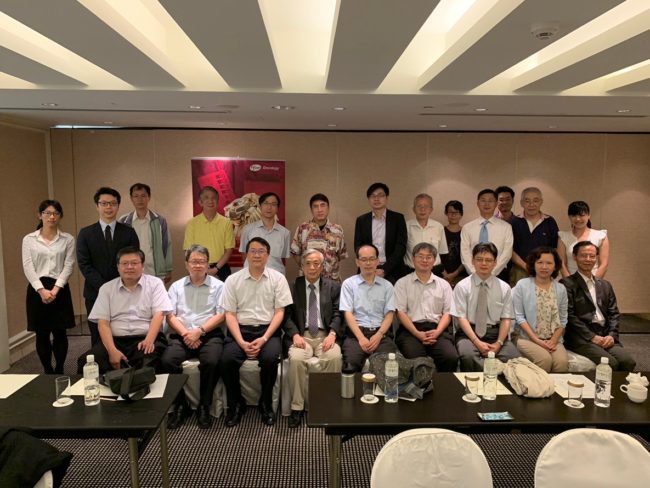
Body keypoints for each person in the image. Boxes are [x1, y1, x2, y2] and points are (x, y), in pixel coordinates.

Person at [220, 237, 293, 427]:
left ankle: (265, 403)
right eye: (252, 251)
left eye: (261, 251)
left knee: (270, 359)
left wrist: (264, 338)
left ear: (268, 255)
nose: (257, 255)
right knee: (226, 360)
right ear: (246, 254)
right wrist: (241, 342)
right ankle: (236, 404)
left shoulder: (278, 279)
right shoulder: (232, 280)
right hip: (240, 331)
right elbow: (230, 314)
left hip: (268, 331)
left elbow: (280, 312)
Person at [76, 247, 170, 374]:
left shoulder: (155, 284)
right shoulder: (107, 288)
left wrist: (149, 340)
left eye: (134, 263)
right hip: (115, 340)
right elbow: (103, 323)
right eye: (125, 263)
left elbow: (159, 315)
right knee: (86, 363)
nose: (129, 267)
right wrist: (112, 350)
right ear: (118, 267)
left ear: (142, 266)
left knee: (147, 364)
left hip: (145, 338)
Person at [162, 245, 225, 430]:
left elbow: (221, 314)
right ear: (186, 264)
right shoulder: (176, 286)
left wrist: (200, 331)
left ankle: (204, 405)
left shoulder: (219, 286)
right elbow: (170, 315)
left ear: (208, 264)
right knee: (167, 361)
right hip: (182, 333)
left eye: (202, 261)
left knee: (212, 361)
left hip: (209, 334)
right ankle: (180, 405)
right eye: (194, 261)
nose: (198, 265)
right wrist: (186, 333)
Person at [283, 249, 343, 428]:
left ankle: (329, 404)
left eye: (316, 263)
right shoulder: (293, 286)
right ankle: (297, 407)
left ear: (322, 266)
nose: (312, 267)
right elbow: (286, 316)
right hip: (302, 336)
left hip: (326, 335)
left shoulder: (333, 286)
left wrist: (332, 334)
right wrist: (295, 334)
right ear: (302, 266)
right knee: (296, 359)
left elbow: (338, 313)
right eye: (308, 263)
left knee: (334, 357)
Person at [77, 187, 139, 346]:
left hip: (124, 291)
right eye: (104, 203)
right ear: (97, 206)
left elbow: (133, 262)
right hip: (95, 292)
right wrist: (105, 287)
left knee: (123, 333)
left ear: (118, 206)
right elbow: (84, 264)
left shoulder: (129, 232)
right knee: (98, 335)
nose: (108, 207)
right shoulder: (85, 233)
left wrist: (119, 285)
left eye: (112, 203)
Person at [561, 241, 635, 371]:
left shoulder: (605, 285)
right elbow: (570, 316)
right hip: (581, 337)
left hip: (605, 334)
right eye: (583, 255)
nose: (588, 259)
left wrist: (611, 335)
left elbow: (614, 314)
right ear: (575, 257)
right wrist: (592, 337)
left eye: (592, 256)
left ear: (596, 258)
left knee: (628, 362)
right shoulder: (567, 284)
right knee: (611, 364)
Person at [22, 200, 76, 374]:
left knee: (60, 332)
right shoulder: (29, 239)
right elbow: (28, 266)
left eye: (55, 213)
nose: (51, 217)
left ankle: (60, 369)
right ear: (40, 215)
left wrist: (55, 289)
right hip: (37, 290)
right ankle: (47, 370)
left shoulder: (68, 239)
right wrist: (41, 290)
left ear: (60, 216)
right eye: (47, 213)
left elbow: (69, 265)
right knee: (42, 333)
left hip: (59, 288)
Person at [452, 243, 520, 371]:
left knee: (514, 358)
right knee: (468, 356)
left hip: (495, 334)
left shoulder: (504, 288)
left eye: (488, 260)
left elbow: (506, 319)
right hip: (469, 334)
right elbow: (461, 318)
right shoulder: (462, 286)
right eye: (479, 259)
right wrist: (476, 342)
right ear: (472, 261)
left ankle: (495, 377)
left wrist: (499, 343)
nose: (484, 263)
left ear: (495, 263)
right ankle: (489, 375)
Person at [394, 243, 458, 372]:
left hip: (437, 330)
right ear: (413, 259)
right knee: (416, 358)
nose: (424, 260)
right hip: (411, 331)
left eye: (429, 257)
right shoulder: (402, 283)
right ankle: (419, 386)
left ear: (434, 260)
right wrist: (417, 334)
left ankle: (444, 384)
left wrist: (437, 332)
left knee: (450, 357)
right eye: (420, 256)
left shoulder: (444, 285)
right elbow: (400, 313)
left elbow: (447, 313)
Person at [339, 244, 397, 372]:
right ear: (357, 262)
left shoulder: (387, 286)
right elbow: (347, 313)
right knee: (351, 365)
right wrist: (361, 338)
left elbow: (389, 314)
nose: (368, 263)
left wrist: (379, 335)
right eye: (364, 259)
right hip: (356, 334)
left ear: (377, 261)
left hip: (381, 334)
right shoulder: (349, 284)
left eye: (372, 259)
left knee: (388, 366)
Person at [512, 247, 568, 373]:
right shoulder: (522, 285)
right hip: (526, 338)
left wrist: (553, 341)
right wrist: (537, 341)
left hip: (552, 339)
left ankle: (556, 387)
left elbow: (563, 320)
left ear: (555, 266)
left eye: (549, 263)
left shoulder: (561, 289)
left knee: (562, 363)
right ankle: (537, 386)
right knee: (544, 359)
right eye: (540, 262)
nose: (544, 267)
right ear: (533, 264)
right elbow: (519, 317)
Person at [118, 183, 173, 285]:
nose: (140, 199)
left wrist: (168, 268)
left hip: (155, 270)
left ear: (149, 197)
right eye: (136, 196)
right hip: (131, 270)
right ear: (131, 199)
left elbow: (167, 245)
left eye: (143, 196)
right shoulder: (124, 221)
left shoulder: (159, 220)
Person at [354, 182, 407, 284]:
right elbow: (358, 247)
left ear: (387, 198)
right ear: (369, 199)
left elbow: (401, 247)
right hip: (367, 269)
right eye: (373, 196)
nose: (376, 199)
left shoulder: (398, 218)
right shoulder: (361, 220)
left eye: (380, 195)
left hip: (393, 270)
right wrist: (371, 267)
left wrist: (385, 269)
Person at [290, 193, 348, 282]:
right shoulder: (303, 228)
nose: (319, 210)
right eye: (315, 206)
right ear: (311, 210)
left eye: (323, 205)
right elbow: (295, 252)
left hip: (332, 281)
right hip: (308, 280)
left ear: (328, 208)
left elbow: (341, 255)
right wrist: (307, 267)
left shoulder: (337, 230)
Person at [183, 186, 235, 282]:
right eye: (206, 198)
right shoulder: (192, 223)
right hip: (198, 267)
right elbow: (188, 250)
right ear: (200, 202)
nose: (210, 201)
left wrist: (216, 269)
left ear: (218, 201)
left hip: (221, 268)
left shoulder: (226, 223)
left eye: (213, 198)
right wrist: (200, 267)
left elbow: (229, 250)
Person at [460, 189, 513, 281]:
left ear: (496, 204)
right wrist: (474, 273)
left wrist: (491, 273)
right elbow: (465, 253)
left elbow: (507, 253)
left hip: (499, 274)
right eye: (483, 200)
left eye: (490, 201)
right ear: (478, 203)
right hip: (473, 275)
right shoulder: (467, 228)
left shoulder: (506, 227)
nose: (486, 204)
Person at [510, 188, 559, 285]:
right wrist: (526, 266)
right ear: (521, 203)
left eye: (535, 201)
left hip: (544, 270)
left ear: (541, 202)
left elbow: (555, 247)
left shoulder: (549, 221)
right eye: (527, 201)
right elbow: (509, 249)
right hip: (519, 270)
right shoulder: (514, 222)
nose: (531, 204)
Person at [239, 192, 291, 274]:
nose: (269, 207)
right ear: (260, 207)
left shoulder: (284, 233)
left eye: (273, 204)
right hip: (252, 275)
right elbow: (244, 254)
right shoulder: (247, 229)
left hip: (276, 276)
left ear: (277, 208)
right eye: (266, 203)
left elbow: (283, 258)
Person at [557, 201, 609, 278]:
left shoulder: (600, 236)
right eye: (574, 215)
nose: (578, 219)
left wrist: (594, 282)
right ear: (569, 217)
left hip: (594, 279)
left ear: (588, 215)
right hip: (570, 280)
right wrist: (570, 282)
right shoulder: (563, 237)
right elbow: (562, 264)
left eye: (582, 215)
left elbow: (604, 264)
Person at [404, 194, 448, 275]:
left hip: (435, 271)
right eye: (419, 206)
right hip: (411, 272)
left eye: (426, 206)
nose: (422, 209)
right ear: (413, 209)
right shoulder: (405, 226)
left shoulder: (438, 227)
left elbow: (442, 252)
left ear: (431, 209)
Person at [440, 200, 467, 286]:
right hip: (441, 275)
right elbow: (436, 254)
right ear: (446, 213)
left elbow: (467, 256)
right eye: (450, 212)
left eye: (456, 212)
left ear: (461, 214)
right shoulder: (440, 231)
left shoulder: (466, 232)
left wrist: (454, 274)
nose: (453, 215)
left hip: (461, 276)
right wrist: (445, 274)